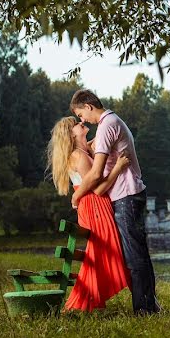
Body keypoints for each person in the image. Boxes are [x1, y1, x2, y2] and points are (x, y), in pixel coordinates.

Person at [69, 89, 161, 315]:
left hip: (125, 196)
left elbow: (97, 174)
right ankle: (150, 306)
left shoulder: (106, 125)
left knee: (134, 256)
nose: (82, 120)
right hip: (129, 194)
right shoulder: (111, 122)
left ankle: (144, 310)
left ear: (89, 107)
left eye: (81, 114)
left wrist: (77, 195)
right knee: (137, 253)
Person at [47, 116, 131, 312]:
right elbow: (99, 188)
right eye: (76, 124)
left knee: (102, 253)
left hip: (93, 205)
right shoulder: (79, 156)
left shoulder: (82, 150)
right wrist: (118, 168)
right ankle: (83, 301)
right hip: (94, 206)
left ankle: (93, 300)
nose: (80, 123)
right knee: (102, 251)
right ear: (71, 134)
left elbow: (100, 141)